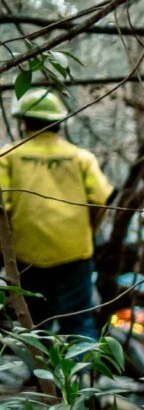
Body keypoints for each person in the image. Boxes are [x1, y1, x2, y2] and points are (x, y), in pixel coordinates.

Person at [0, 90, 113, 340]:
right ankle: (81, 375)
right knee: (80, 320)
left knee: (34, 322)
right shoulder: (81, 158)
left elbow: (3, 208)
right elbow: (101, 200)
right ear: (59, 123)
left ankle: (39, 378)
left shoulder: (8, 157)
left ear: (23, 122)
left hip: (26, 253)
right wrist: (87, 234)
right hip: (75, 251)